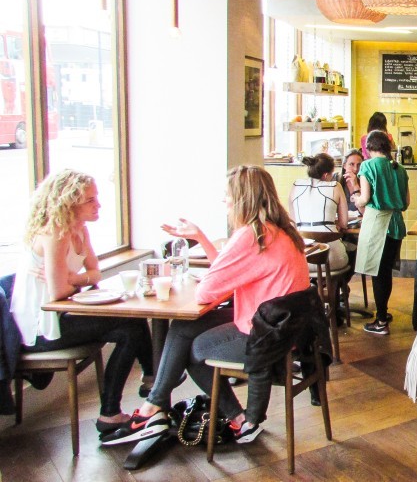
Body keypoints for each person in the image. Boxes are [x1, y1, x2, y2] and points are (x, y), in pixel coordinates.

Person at [101, 166, 310, 446]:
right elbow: (232, 268)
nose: (224, 202)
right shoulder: (278, 231)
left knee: (194, 350)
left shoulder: (251, 235)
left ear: (242, 198)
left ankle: (232, 419)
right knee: (184, 326)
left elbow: (206, 291)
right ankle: (157, 406)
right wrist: (200, 237)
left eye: (227, 196)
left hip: (264, 335)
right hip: (282, 328)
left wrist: (210, 269)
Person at [11, 170, 154, 436]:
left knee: (131, 327)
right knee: (132, 324)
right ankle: (148, 382)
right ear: (69, 203)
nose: (98, 204)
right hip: (43, 330)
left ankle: (119, 407)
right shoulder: (54, 233)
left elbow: (96, 273)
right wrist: (77, 280)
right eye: (90, 200)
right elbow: (57, 292)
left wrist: (73, 278)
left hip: (62, 317)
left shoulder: (80, 230)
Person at [354, 130, 410, 335]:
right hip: (396, 224)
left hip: (378, 224)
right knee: (386, 272)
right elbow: (406, 203)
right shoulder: (400, 168)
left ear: (368, 149)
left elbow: (365, 198)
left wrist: (356, 198)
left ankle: (380, 322)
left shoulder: (367, 166)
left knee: (378, 273)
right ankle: (383, 314)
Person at [290, 153, 350, 270]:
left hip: (302, 258)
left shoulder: (296, 186)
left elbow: (293, 223)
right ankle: (337, 286)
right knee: (352, 252)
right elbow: (344, 223)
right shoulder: (335, 186)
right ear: (325, 175)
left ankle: (318, 286)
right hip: (331, 258)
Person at [335, 148, 364, 216]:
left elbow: (364, 212)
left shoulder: (365, 182)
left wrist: (355, 185)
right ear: (344, 165)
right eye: (351, 164)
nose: (355, 169)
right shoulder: (335, 179)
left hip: (358, 223)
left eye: (359, 165)